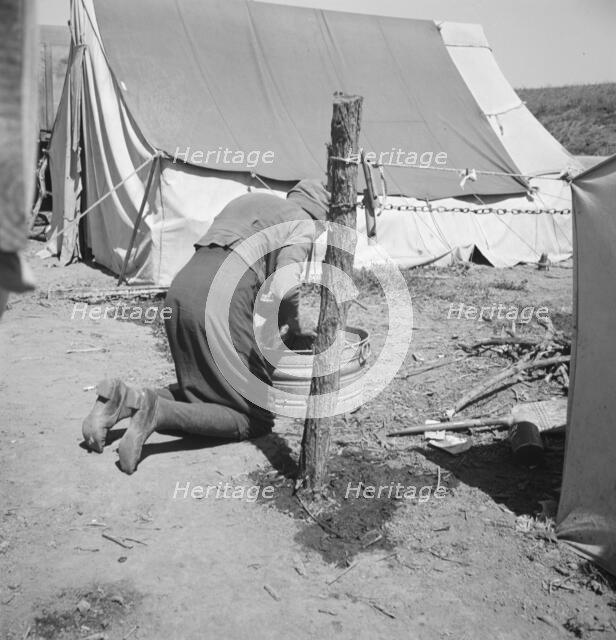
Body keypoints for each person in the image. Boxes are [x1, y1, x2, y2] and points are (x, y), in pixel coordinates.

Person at [82, 179, 330, 474]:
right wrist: (295, 327)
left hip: (182, 289)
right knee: (256, 417)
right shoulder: (301, 221)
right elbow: (286, 287)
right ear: (317, 214)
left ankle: (125, 398)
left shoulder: (250, 202)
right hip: (221, 298)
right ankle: (156, 412)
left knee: (203, 388)